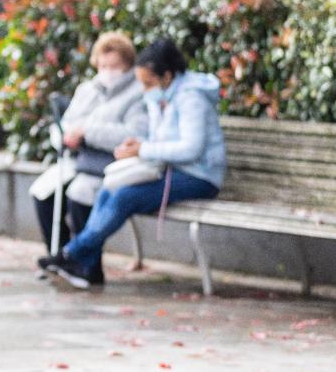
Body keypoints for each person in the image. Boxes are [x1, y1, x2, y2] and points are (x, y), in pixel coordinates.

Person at [44, 38, 226, 290]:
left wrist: (144, 148)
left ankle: (71, 254)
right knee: (110, 187)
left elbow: (191, 148)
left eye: (148, 83)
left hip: (198, 176)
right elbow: (158, 138)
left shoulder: (191, 99)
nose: (145, 90)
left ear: (167, 76)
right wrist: (136, 145)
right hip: (166, 169)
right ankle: (80, 261)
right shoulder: (162, 96)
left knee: (125, 197)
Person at [30, 32, 147, 276]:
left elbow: (134, 134)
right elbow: (65, 123)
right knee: (43, 194)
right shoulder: (88, 90)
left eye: (114, 66)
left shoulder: (138, 93)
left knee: (80, 193)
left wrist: (87, 132)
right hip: (78, 159)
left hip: (109, 163)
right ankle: (62, 258)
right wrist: (63, 137)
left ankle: (87, 267)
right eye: (103, 65)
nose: (107, 71)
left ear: (128, 64)